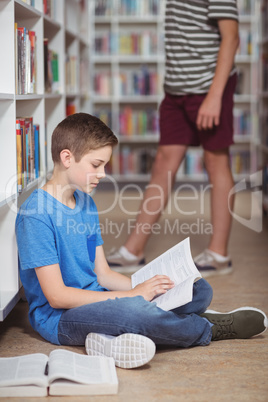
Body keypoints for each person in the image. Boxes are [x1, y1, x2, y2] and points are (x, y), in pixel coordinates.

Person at [16, 113, 267, 369]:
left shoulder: (85, 202)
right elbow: (57, 297)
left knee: (198, 288)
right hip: (60, 318)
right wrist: (134, 296)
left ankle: (111, 335)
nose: (103, 174)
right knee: (134, 312)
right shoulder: (36, 214)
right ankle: (205, 328)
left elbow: (102, 274)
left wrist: (146, 288)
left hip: (99, 297)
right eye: (96, 164)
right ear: (67, 158)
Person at [107, 0, 240, 277]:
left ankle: (219, 254)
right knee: (163, 164)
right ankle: (133, 251)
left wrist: (215, 97)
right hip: (176, 90)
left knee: (216, 162)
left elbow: (231, 37)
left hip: (209, 87)